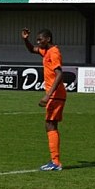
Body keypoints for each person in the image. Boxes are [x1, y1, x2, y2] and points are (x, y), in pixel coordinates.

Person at [21, 28, 66, 171]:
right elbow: (31, 50)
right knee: (50, 124)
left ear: (48, 39)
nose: (38, 41)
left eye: (40, 39)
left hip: (55, 94)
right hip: (55, 94)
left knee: (50, 124)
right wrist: (25, 39)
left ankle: (56, 162)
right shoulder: (45, 51)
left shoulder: (54, 52)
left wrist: (48, 95)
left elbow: (59, 74)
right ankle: (55, 160)